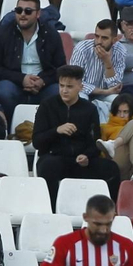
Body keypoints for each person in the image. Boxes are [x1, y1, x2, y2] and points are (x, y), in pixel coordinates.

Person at [34, 65, 118, 204]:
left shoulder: (89, 109)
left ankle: (109, 210)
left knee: (111, 169)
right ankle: (52, 209)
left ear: (80, 87)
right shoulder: (47, 106)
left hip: (81, 161)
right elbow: (37, 141)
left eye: (69, 86)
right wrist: (57, 131)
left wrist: (87, 156)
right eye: (61, 85)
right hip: (55, 157)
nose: (64, 90)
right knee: (47, 165)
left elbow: (94, 143)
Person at [0, 0, 64, 118]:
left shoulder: (51, 34)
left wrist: (42, 81)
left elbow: (60, 68)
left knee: (59, 91)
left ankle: (50, 129)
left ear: (38, 14)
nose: (22, 14)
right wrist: (21, 79)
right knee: (3, 90)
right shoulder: (1, 33)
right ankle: (8, 128)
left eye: (28, 11)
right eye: (19, 10)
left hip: (43, 85)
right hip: (13, 83)